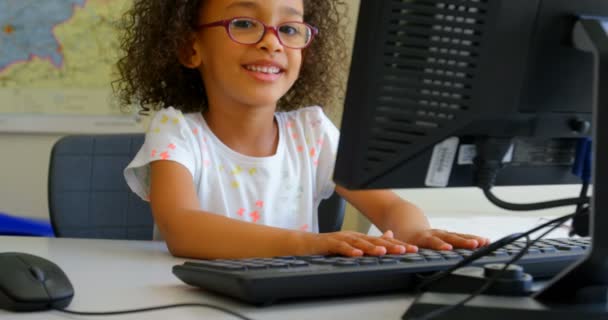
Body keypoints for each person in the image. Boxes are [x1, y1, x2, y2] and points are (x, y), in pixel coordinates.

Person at [118, 0, 489, 259]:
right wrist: (309, 243)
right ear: (189, 48)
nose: (271, 41)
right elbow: (184, 229)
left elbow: (390, 204)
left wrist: (413, 232)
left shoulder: (312, 131)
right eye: (244, 23)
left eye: (290, 28)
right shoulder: (176, 131)